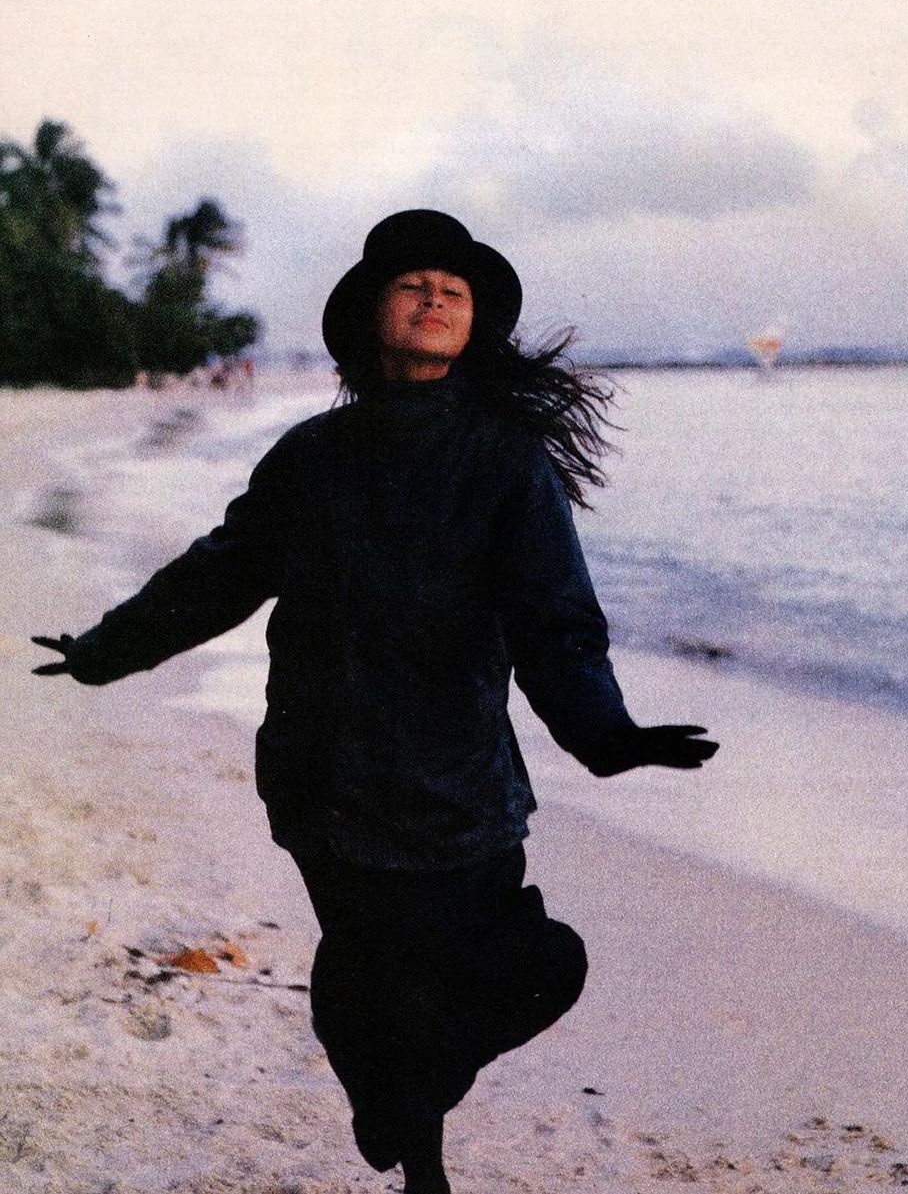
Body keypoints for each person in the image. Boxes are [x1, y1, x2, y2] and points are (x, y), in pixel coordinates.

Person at [32, 209, 718, 1194]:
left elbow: (555, 621)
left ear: (474, 324)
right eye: (411, 284)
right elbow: (219, 574)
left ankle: (409, 1097)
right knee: (367, 976)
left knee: (535, 964)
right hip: (325, 775)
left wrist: (607, 733)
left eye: (453, 288)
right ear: (372, 314)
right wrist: (106, 649)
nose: (433, 296)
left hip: (458, 787)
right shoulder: (311, 455)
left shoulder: (508, 462)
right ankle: (422, 1168)